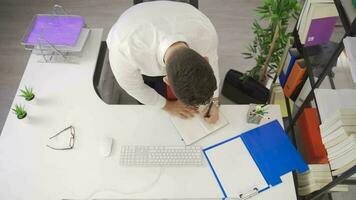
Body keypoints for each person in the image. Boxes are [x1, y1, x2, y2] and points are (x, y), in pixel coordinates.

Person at [107, 1, 220, 123]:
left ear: (205, 59)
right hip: (133, 24)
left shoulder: (206, 34)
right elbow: (133, 87)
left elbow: (214, 62)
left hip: (182, 15)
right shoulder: (125, 49)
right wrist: (167, 105)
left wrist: (214, 101)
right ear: (166, 80)